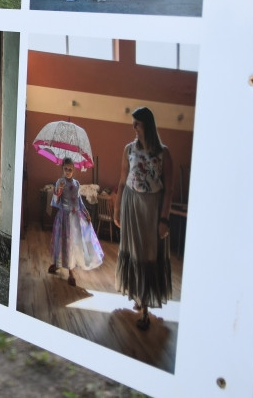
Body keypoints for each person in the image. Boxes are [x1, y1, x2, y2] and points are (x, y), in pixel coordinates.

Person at [114, 107, 174, 331]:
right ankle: (139, 298)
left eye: (137, 123)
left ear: (147, 125)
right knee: (134, 251)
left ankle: (146, 307)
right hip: (131, 204)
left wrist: (164, 219)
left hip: (152, 207)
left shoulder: (163, 153)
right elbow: (121, 181)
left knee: (149, 255)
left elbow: (169, 189)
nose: (134, 128)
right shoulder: (128, 149)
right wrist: (117, 208)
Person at [48, 159, 104, 286]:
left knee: (74, 243)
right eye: (66, 169)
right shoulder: (60, 182)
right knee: (64, 242)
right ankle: (59, 264)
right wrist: (58, 191)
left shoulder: (77, 183)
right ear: (62, 169)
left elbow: (79, 201)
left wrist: (85, 212)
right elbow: (55, 202)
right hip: (64, 217)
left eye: (70, 169)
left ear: (74, 170)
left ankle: (71, 269)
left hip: (75, 218)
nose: (68, 172)